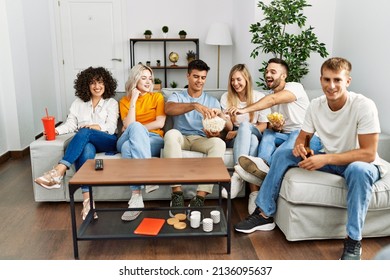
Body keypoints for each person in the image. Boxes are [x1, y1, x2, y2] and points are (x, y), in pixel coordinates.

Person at [234, 57, 387, 260]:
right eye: (326, 80)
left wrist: (325, 159)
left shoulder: (363, 105)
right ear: (321, 80)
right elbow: (302, 139)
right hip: (331, 159)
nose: (331, 86)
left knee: (358, 170)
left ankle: (353, 241)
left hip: (360, 163)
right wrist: (302, 149)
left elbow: (368, 153)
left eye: (337, 80)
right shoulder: (316, 105)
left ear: (347, 81)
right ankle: (264, 214)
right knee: (283, 154)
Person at [227, 58, 320, 214]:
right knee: (269, 133)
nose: (268, 74)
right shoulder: (270, 95)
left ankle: (259, 177)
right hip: (282, 134)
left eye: (273, 72)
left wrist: (243, 110)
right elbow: (270, 124)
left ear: (283, 76)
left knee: (293, 134)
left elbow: (273, 100)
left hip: (302, 134)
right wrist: (275, 126)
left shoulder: (295, 87)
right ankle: (262, 165)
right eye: (267, 71)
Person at [35, 66, 119, 220]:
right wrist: (55, 131)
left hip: (107, 140)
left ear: (106, 84)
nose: (97, 86)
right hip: (88, 141)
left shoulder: (111, 103)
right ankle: (88, 201)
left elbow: (112, 127)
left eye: (100, 82)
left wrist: (95, 127)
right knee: (86, 148)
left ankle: (59, 171)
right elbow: (70, 125)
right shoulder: (78, 103)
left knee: (85, 131)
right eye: (92, 83)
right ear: (86, 85)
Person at [163, 59, 232, 215]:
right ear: (188, 76)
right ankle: (177, 194)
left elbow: (228, 127)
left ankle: (200, 198)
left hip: (202, 139)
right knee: (171, 134)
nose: (199, 81)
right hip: (181, 137)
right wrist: (194, 105)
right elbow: (168, 109)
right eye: (196, 76)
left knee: (219, 144)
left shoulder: (212, 101)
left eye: (202, 77)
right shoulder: (177, 96)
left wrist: (216, 128)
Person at [117, 64, 166, 221]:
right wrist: (134, 100)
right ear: (134, 79)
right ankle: (148, 177)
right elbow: (129, 125)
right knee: (134, 129)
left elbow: (160, 123)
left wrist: (138, 130)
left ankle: (136, 197)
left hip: (153, 139)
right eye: (143, 78)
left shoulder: (157, 97)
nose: (148, 82)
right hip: (127, 136)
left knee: (127, 148)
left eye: (150, 78)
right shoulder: (124, 101)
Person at [220, 64, 270, 199]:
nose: (235, 83)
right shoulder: (226, 97)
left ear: (247, 79)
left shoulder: (260, 97)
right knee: (251, 140)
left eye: (238, 79)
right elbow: (229, 128)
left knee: (247, 128)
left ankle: (237, 173)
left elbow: (264, 125)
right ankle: (254, 193)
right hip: (235, 137)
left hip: (255, 131)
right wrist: (225, 119)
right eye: (232, 80)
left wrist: (242, 130)